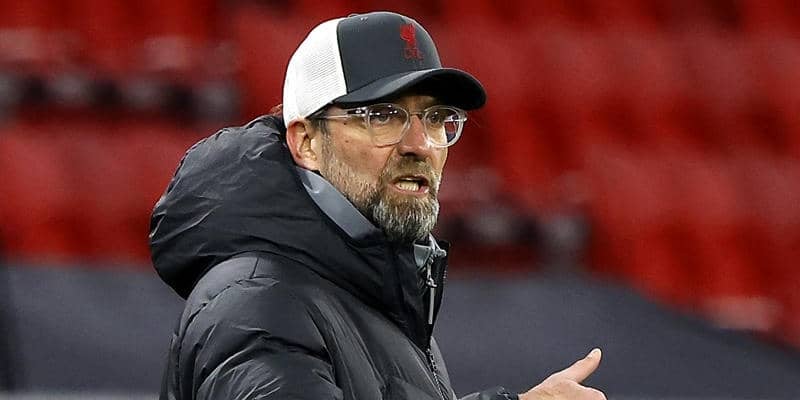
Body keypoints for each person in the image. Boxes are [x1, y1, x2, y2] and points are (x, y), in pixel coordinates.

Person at [150, 11, 606, 400]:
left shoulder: (374, 289)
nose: (420, 145)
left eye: (436, 118)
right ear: (306, 142)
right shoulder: (257, 304)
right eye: (383, 116)